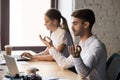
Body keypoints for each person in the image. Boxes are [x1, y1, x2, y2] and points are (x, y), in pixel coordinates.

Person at [39, 9, 107, 80]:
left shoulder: (97, 46)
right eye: (72, 23)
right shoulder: (81, 44)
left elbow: (84, 74)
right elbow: (64, 64)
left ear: (86, 25)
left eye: (75, 24)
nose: (71, 27)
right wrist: (50, 46)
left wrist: (77, 57)